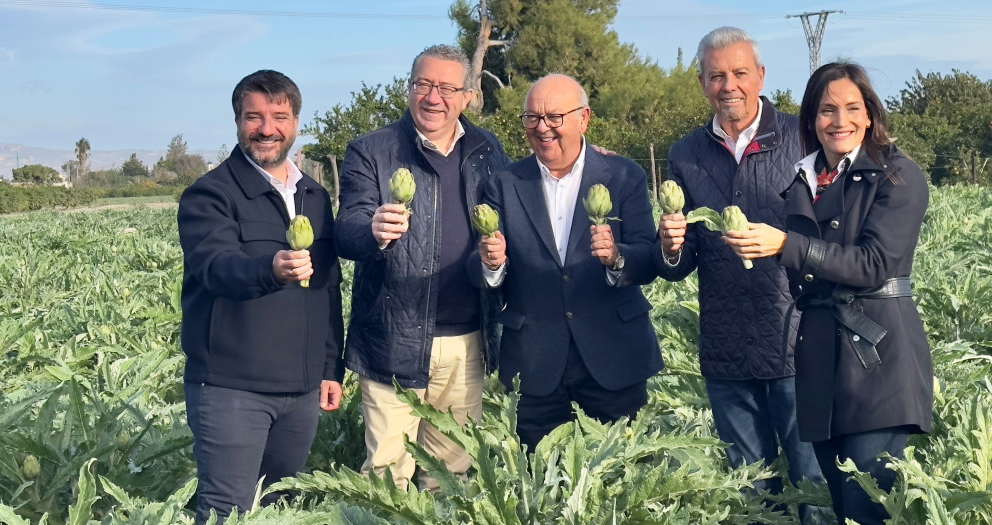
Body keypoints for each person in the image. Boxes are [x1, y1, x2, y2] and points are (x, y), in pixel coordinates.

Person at [723, 61, 934, 524]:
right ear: (811, 119)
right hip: (819, 360)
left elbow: (874, 263)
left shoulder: (898, 176)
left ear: (871, 114)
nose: (840, 121)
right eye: (826, 110)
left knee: (867, 509)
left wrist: (785, 245)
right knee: (839, 505)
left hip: (877, 359)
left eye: (852, 108)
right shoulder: (807, 176)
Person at [654, 26, 825, 523]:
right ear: (702, 83)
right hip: (727, 352)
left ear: (761, 76)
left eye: (739, 73)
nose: (728, 85)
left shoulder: (803, 137)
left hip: (799, 345)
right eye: (716, 76)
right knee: (750, 494)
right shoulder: (686, 153)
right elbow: (680, 264)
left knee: (814, 485)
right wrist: (670, 246)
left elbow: (834, 236)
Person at [335, 44, 510, 490]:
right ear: (409, 88)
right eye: (423, 85)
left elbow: (502, 225)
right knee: (387, 477)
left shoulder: (488, 150)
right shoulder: (371, 151)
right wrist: (372, 230)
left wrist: (492, 262)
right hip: (392, 339)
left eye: (447, 88)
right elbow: (347, 229)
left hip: (466, 343)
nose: (434, 98)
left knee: (450, 476)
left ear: (468, 96)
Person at [177, 69, 344, 524]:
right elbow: (214, 268)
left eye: (279, 116)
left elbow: (328, 287)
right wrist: (270, 269)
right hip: (233, 389)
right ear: (237, 121)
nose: (267, 129)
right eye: (254, 117)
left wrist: (330, 368)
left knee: (275, 509)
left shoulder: (314, 195)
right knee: (226, 511)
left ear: (295, 122)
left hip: (302, 390)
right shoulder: (210, 194)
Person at [473, 74, 662, 451]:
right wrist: (490, 264)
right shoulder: (504, 184)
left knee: (620, 482)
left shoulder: (624, 175)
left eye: (554, 117)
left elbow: (650, 256)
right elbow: (477, 267)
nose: (542, 128)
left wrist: (617, 257)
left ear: (584, 119)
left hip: (614, 357)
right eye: (532, 118)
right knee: (539, 486)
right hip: (535, 363)